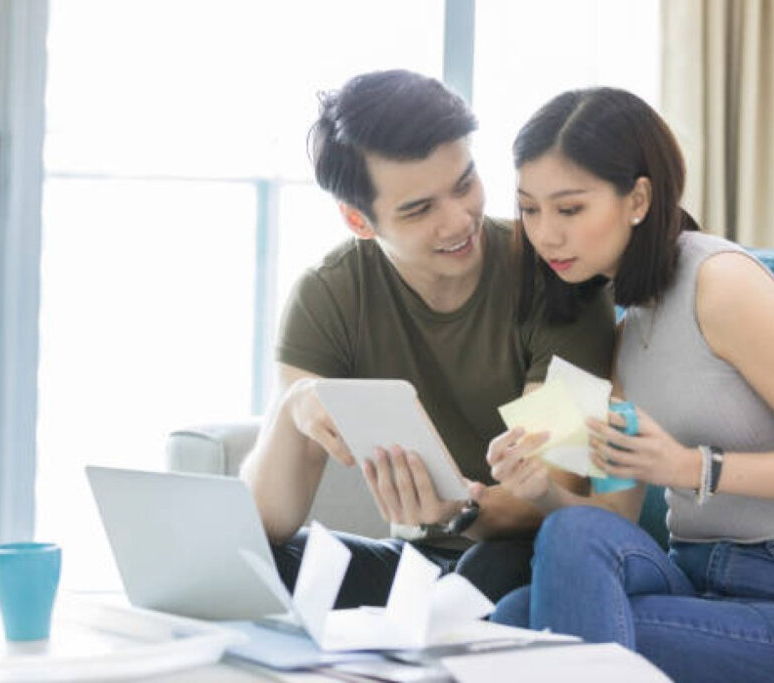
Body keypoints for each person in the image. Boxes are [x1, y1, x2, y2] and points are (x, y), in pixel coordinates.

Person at [486, 87, 774, 682]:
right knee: (523, 602)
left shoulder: (720, 284)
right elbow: (612, 520)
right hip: (696, 580)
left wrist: (692, 468)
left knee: (542, 627)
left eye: (569, 209)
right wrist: (541, 487)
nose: (546, 234)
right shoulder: (626, 328)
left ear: (638, 198)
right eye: (529, 209)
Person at [239, 70, 615, 607]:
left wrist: (458, 510)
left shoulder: (557, 278)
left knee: (487, 570)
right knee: (252, 565)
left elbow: (557, 487)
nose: (459, 220)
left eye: (464, 183)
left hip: (531, 556)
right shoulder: (329, 296)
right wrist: (294, 407)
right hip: (417, 566)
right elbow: (266, 522)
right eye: (419, 210)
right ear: (358, 220)